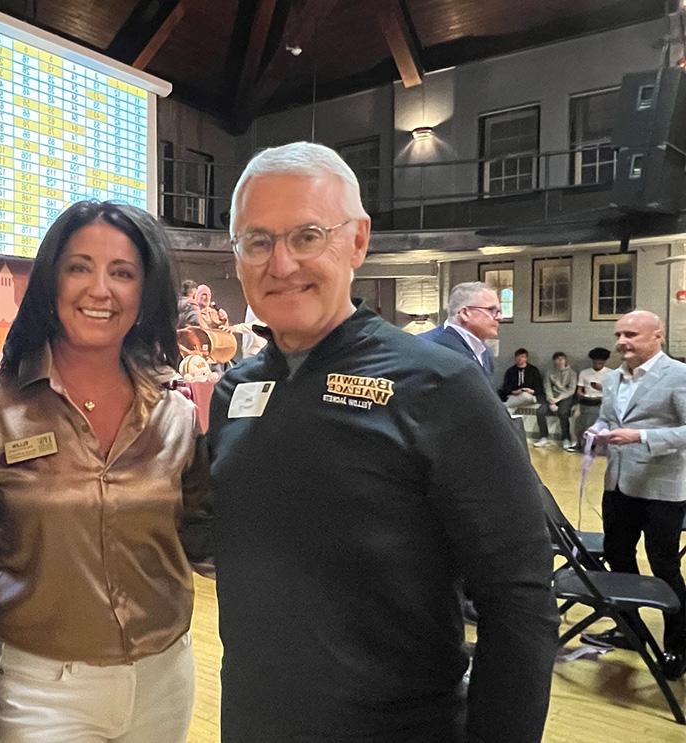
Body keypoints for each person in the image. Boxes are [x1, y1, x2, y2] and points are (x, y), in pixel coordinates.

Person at [209, 141, 557, 742]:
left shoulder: (438, 385)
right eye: (258, 241)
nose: (281, 263)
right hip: (252, 721)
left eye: (308, 236)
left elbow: (519, 597)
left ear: (359, 241)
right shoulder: (234, 391)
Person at [0, 201, 211, 741]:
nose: (100, 290)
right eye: (79, 267)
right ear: (51, 280)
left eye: (123, 273)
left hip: (164, 678)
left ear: (145, 290)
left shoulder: (175, 414)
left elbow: (206, 538)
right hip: (42, 688)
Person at [580, 311, 686, 680]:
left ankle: (678, 644)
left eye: (631, 334)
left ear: (657, 336)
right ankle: (631, 631)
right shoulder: (612, 378)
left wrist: (641, 437)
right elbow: (609, 419)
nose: (622, 341)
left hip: (661, 488)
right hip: (619, 485)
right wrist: (598, 429)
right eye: (619, 334)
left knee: (664, 566)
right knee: (618, 557)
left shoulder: (678, 375)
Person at [418, 281, 500, 379]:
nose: (499, 317)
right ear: (465, 313)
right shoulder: (425, 345)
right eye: (491, 310)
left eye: (499, 311)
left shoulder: (485, 352)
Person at [574, 346, 610, 444]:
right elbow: (579, 390)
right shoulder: (584, 373)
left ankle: (593, 442)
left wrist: (601, 388)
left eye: (600, 363)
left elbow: (613, 393)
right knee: (577, 417)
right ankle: (579, 441)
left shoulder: (611, 374)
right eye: (595, 363)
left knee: (593, 414)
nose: (597, 365)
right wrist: (582, 395)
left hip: (601, 401)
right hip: (586, 400)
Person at [542, 351, 577, 450]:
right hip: (552, 397)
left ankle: (565, 438)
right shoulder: (549, 373)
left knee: (563, 412)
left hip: (565, 397)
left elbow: (571, 390)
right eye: (557, 359)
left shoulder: (572, 373)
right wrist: (551, 400)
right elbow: (547, 387)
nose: (559, 361)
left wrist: (558, 399)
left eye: (561, 359)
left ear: (565, 360)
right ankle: (543, 436)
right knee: (540, 411)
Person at [499, 348, 546, 418]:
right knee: (510, 410)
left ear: (526, 358)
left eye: (522, 357)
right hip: (514, 395)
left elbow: (539, 387)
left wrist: (532, 391)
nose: (520, 359)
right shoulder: (510, 371)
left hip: (529, 396)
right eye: (518, 357)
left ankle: (503, 406)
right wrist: (514, 391)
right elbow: (505, 387)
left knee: (524, 395)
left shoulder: (533, 370)